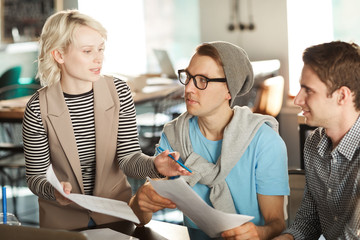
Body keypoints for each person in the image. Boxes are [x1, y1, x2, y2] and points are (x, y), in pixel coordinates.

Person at [22, 9, 189, 230]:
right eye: (87, 51)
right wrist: (52, 190)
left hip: (115, 214)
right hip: (62, 222)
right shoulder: (37, 108)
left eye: (101, 49)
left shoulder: (119, 92)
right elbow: (36, 176)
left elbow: (128, 159)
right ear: (59, 55)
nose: (98, 58)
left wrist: (154, 166)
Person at [130, 41, 290, 239]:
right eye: (188, 77)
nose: (188, 88)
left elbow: (276, 224)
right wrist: (140, 202)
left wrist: (258, 233)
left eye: (202, 80)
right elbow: (140, 218)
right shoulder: (174, 135)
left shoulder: (265, 142)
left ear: (229, 91)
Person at [274, 41, 360, 239]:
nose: (297, 100)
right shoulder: (314, 143)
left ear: (341, 96)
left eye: (308, 90)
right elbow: (309, 219)